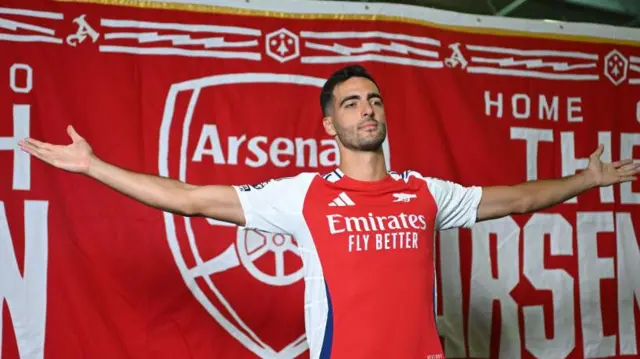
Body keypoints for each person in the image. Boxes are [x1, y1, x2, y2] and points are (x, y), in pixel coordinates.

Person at [18, 65, 639, 359]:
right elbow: (190, 197)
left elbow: (520, 199)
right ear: (329, 123)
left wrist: (586, 178)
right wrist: (94, 167)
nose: (366, 110)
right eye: (350, 104)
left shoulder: (425, 193)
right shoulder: (303, 195)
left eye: (373, 100)